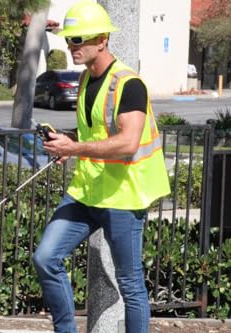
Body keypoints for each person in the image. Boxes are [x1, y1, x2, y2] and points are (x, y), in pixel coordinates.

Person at [32, 1, 171, 333]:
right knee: (45, 258)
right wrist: (66, 143)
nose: (71, 46)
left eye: (78, 39)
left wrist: (75, 147)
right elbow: (93, 133)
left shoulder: (129, 84)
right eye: (69, 39)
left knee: (130, 285)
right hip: (86, 192)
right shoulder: (84, 81)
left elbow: (128, 142)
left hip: (124, 197)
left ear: (103, 39)